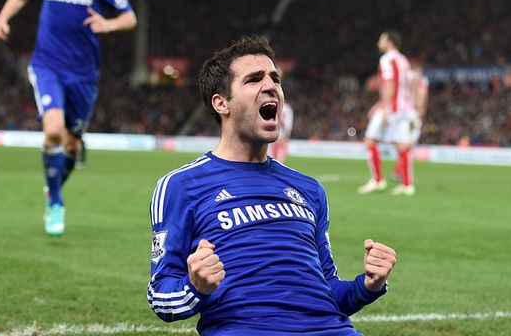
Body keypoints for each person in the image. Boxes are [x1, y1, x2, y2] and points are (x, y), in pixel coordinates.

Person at [147, 36, 396, 335]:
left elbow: (328, 291)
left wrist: (368, 284)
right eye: (254, 79)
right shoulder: (181, 186)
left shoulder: (309, 189)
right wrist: (195, 286)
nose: (271, 86)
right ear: (221, 102)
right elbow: (161, 296)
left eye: (275, 78)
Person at [0, 0, 137, 236]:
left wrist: (109, 24)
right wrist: (2, 18)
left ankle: (54, 184)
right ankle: (55, 200)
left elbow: (129, 18)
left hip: (84, 73)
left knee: (71, 144)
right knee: (53, 131)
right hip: (47, 64)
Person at [358, 30, 413, 195]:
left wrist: (383, 105)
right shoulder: (404, 60)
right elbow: (407, 84)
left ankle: (377, 180)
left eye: (381, 39)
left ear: (389, 41)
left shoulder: (387, 59)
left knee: (370, 140)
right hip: (403, 107)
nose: (378, 42)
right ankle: (407, 185)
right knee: (402, 146)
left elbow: (389, 84)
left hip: (390, 108)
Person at [390, 61, 428, 193]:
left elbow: (420, 96)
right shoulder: (418, 80)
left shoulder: (417, 81)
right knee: (406, 145)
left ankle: (401, 175)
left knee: (406, 146)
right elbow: (421, 97)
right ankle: (402, 175)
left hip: (410, 114)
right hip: (411, 114)